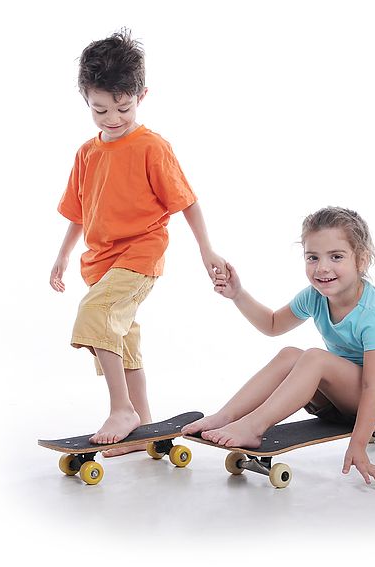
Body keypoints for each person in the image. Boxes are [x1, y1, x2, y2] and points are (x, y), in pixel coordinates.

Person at [50, 29, 225, 456]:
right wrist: (62, 255)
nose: (112, 119)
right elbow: (78, 210)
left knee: (95, 313)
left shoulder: (150, 147)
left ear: (141, 96)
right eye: (100, 109)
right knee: (123, 339)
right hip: (101, 263)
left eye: (123, 108)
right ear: (86, 100)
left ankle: (121, 409)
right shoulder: (86, 154)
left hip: (140, 256)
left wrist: (207, 251)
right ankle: (142, 426)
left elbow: (187, 203)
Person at [183, 207, 375, 487]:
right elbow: (272, 324)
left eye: (336, 257)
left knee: (316, 358)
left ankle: (255, 427)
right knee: (291, 354)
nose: (322, 268)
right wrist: (238, 294)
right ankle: (226, 416)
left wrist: (359, 444)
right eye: (312, 257)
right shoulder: (314, 297)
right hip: (341, 399)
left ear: (361, 260)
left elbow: (373, 387)